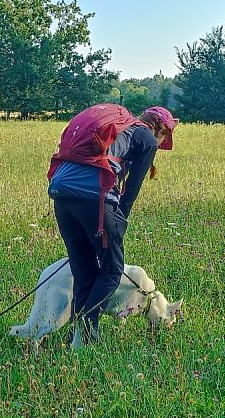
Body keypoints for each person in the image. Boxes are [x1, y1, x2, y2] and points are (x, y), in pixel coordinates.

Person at [48, 105, 177, 346]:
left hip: (61, 196)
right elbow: (131, 189)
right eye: (164, 138)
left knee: (84, 270)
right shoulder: (146, 138)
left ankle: (75, 338)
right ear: (160, 129)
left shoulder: (121, 130)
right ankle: (86, 329)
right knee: (111, 271)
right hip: (95, 200)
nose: (160, 144)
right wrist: (120, 221)